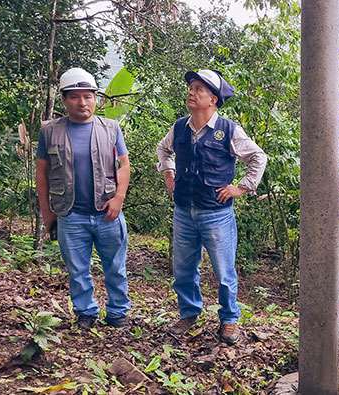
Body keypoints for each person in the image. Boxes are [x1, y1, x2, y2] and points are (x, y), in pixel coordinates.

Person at [156, 69, 267, 344]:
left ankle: (229, 320)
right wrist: (169, 175)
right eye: (191, 87)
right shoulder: (179, 127)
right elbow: (163, 150)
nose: (191, 92)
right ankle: (189, 312)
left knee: (223, 270)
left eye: (198, 89)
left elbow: (258, 157)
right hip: (183, 211)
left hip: (216, 214)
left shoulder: (228, 130)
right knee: (183, 268)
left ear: (213, 99)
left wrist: (240, 188)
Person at [36, 67, 131, 329]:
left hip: (107, 213)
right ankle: (86, 312)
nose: (82, 102)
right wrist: (48, 215)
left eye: (88, 96)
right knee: (77, 270)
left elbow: (124, 165)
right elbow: (41, 174)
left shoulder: (110, 128)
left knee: (115, 267)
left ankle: (117, 312)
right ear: (64, 100)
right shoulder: (49, 131)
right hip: (71, 214)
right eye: (75, 97)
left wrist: (119, 198)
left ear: (96, 99)